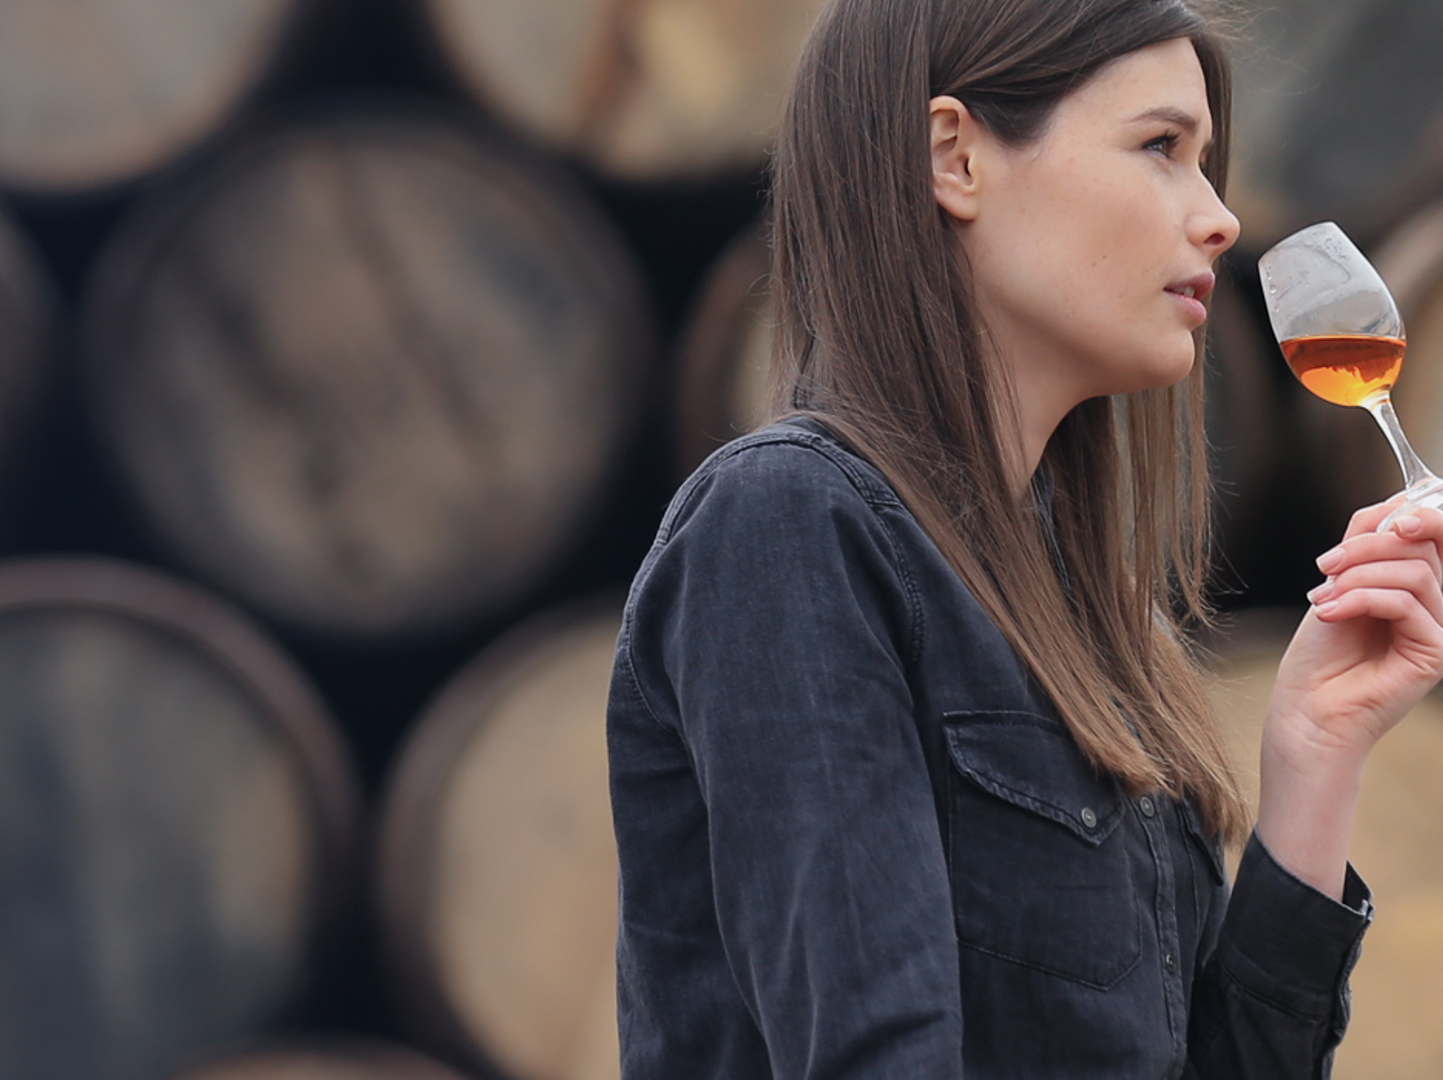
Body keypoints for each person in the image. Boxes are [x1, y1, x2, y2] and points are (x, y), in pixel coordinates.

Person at [605, 0, 1443, 1076]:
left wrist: (1317, 756)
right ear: (954, 156)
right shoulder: (794, 528)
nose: (1220, 217)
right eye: (1162, 149)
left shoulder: (1092, 616)